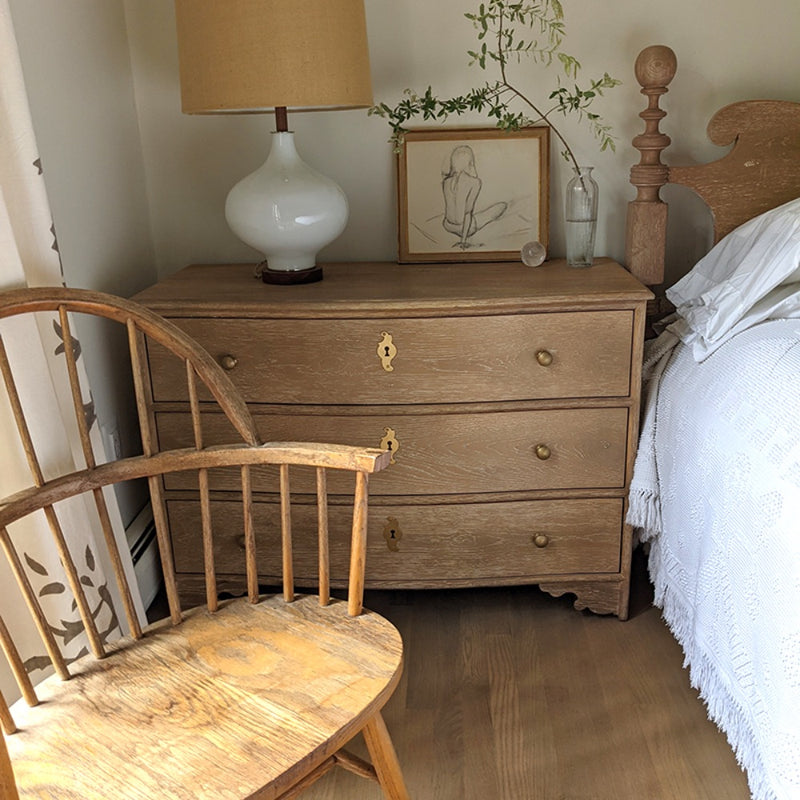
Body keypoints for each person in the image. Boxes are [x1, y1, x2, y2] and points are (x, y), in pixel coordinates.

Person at [441, 145, 507, 249]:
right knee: (501, 206)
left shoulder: (446, 182)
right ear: (469, 162)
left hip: (447, 225)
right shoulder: (475, 182)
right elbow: (468, 213)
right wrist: (463, 240)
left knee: (479, 214)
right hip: (465, 228)